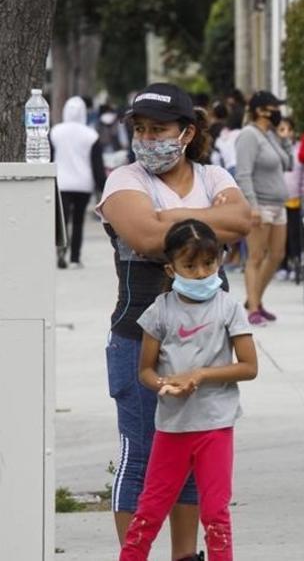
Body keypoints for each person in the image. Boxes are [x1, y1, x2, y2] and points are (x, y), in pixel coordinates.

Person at [96, 83, 252, 561]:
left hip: (208, 351)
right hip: (139, 343)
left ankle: (185, 556)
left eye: (158, 129)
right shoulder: (125, 181)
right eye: (139, 129)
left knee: (190, 460)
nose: (146, 138)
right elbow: (144, 236)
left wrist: (172, 216)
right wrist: (208, 221)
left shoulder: (214, 173)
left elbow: (242, 220)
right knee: (143, 458)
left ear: (186, 132)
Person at [119, 219, 258, 561]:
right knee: (148, 514)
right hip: (172, 428)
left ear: (219, 261)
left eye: (208, 264)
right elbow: (146, 372)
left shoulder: (229, 308)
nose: (200, 273)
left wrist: (201, 375)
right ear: (171, 268)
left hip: (215, 427)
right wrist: (166, 384)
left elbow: (249, 367)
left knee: (215, 516)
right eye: (190, 265)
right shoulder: (159, 312)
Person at [234, 91, 293, 325]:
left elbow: (288, 164)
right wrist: (252, 206)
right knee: (256, 256)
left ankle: (254, 299)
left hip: (279, 205)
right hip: (261, 203)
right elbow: (243, 173)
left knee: (277, 254)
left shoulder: (269, 135)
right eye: (273, 107)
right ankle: (253, 308)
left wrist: (284, 138)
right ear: (260, 110)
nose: (278, 112)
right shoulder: (249, 135)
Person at [52, 95, 103, 268]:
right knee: (79, 222)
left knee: (62, 220)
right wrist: (102, 187)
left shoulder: (55, 132)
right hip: (83, 183)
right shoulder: (91, 135)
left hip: (61, 182)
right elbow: (97, 165)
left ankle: (60, 250)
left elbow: (50, 158)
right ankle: (75, 258)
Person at [277, 117, 304, 278]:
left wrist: (303, 194)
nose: (285, 133)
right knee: (280, 234)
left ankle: (296, 263)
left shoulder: (299, 149)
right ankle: (282, 265)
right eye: (281, 130)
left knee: (295, 233)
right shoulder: (273, 150)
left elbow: (302, 174)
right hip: (278, 199)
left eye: (288, 129)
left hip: (295, 198)